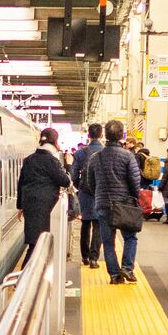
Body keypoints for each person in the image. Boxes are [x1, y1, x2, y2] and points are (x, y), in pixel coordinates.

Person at [86, 119, 144, 284]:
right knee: (130, 237)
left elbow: (90, 182)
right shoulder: (128, 156)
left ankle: (114, 275)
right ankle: (127, 268)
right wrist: (134, 199)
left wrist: (99, 195)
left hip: (103, 205)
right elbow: (135, 181)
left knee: (108, 242)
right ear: (121, 135)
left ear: (105, 134)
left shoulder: (96, 158)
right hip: (124, 204)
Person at [17, 128, 73, 266]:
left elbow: (21, 183)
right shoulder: (51, 161)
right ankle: (24, 279)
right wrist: (69, 165)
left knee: (34, 242)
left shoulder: (28, 160)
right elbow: (65, 181)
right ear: (55, 142)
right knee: (38, 244)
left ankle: (27, 277)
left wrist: (20, 206)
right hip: (45, 207)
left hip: (30, 205)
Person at [72, 122, 105, 268]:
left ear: (88, 135)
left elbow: (73, 173)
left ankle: (84, 257)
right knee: (98, 225)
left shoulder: (80, 153)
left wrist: (78, 188)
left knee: (85, 224)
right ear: (101, 135)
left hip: (84, 193)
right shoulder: (105, 152)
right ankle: (94, 258)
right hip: (101, 193)